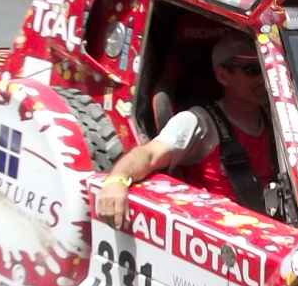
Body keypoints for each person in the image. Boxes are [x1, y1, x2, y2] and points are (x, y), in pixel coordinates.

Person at [95, 35, 276, 225]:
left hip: (268, 224)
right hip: (216, 229)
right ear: (223, 76)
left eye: (267, 70)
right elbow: (149, 154)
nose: (263, 79)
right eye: (252, 70)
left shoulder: (278, 120)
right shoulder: (198, 121)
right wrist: (117, 180)